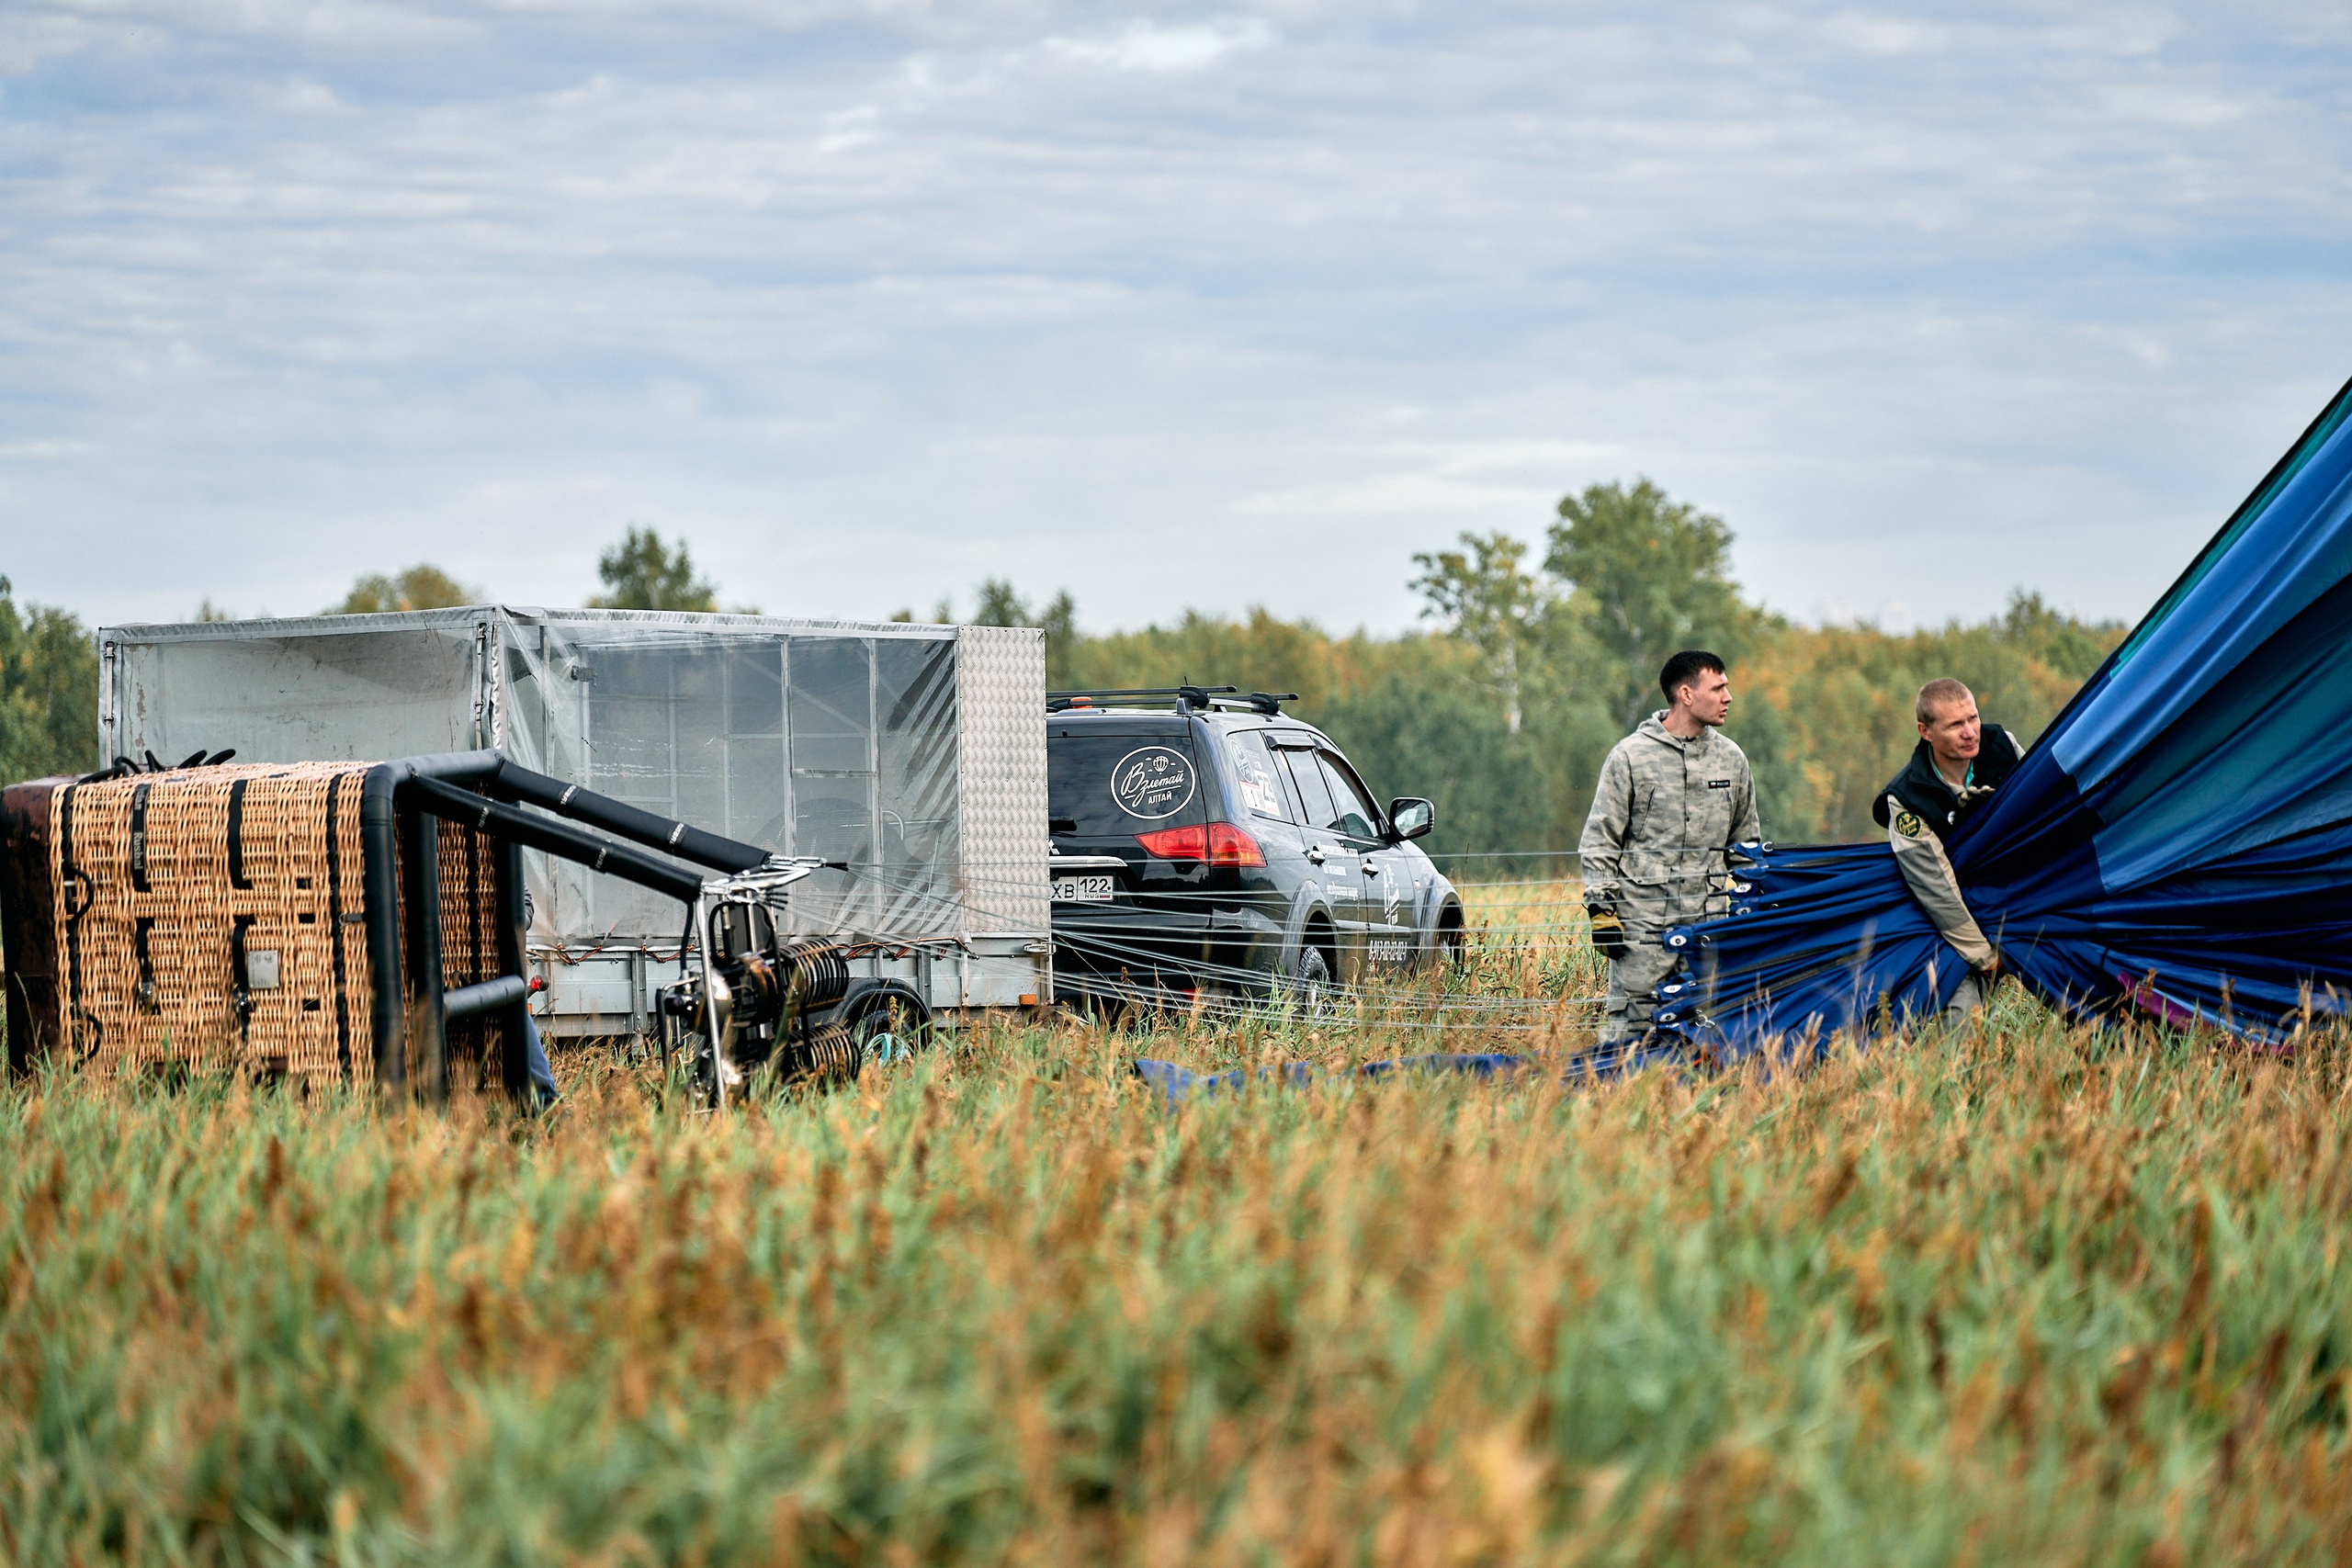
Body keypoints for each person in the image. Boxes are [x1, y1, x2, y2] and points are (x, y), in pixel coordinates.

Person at [1580, 650, 1761, 1045]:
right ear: (1686, 694)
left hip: (1709, 931)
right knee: (1629, 1042)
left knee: (1710, 1039)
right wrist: (1601, 908)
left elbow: (1746, 847)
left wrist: (1753, 911)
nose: (1728, 697)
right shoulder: (1630, 757)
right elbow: (1600, 839)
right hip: (1642, 934)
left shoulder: (1731, 760)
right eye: (1718, 688)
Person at [1871, 677, 2026, 1021]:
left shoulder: (2003, 746)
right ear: (1925, 731)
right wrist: (1987, 959)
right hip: (1946, 927)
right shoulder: (1907, 800)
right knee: (1963, 1015)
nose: (1970, 732)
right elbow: (1937, 891)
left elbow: (2038, 808)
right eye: (1956, 725)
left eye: (1973, 718)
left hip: (2016, 904)